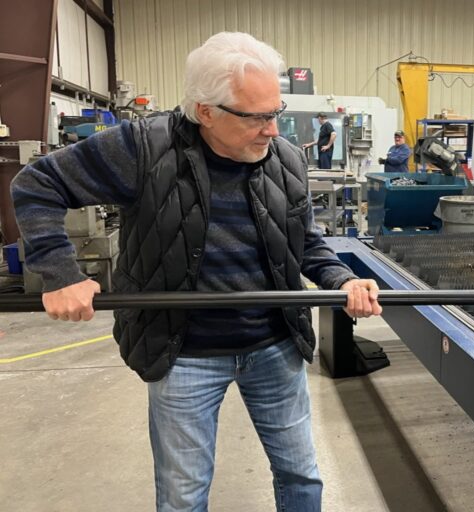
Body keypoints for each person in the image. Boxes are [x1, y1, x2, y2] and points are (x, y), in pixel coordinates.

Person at [11, 32, 381, 512]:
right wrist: (60, 273)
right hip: (182, 352)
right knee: (183, 495)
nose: (273, 130)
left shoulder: (285, 159)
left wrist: (341, 280)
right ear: (205, 111)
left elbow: (305, 244)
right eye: (258, 117)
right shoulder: (144, 148)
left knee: (301, 476)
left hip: (274, 345)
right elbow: (37, 183)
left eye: (277, 112)